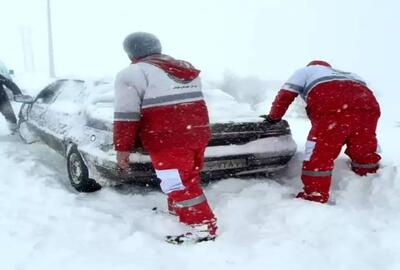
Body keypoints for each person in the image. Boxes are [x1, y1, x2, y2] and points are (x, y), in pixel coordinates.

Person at [113, 32, 217, 243]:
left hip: (167, 138)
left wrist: (122, 148)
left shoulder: (132, 73)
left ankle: (203, 227)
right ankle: (181, 211)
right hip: (197, 132)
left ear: (131, 52)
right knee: (188, 176)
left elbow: (126, 115)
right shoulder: (185, 68)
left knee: (176, 182)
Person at [265, 60, 381, 203]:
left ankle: (315, 194)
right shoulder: (352, 75)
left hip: (333, 110)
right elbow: (361, 94)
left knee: (320, 153)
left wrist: (273, 118)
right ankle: (369, 183)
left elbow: (285, 95)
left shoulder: (305, 71)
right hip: (368, 110)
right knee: (363, 147)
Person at [0, 62, 22, 134]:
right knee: (9, 114)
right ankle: (14, 129)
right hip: (2, 98)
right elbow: (9, 83)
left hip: (1, 98)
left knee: (9, 114)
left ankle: (14, 129)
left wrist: (17, 93)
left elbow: (9, 83)